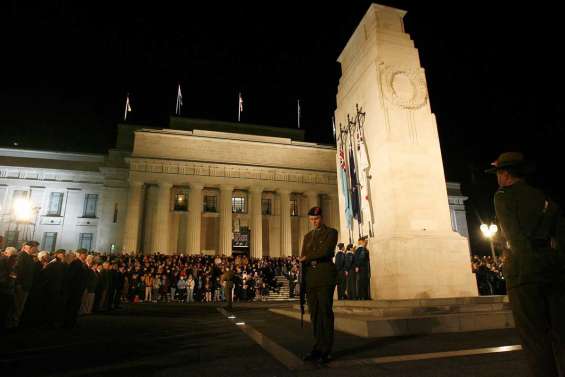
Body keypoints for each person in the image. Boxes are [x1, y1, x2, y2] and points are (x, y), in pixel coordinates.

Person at [487, 152, 565, 377]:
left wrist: (516, 259)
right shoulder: (543, 197)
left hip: (523, 272)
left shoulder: (502, 196)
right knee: (561, 333)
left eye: (499, 173)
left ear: (505, 174)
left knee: (535, 339)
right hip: (553, 268)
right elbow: (560, 238)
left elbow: (513, 235)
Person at [299, 206, 338, 365]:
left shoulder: (331, 232)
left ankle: (326, 350)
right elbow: (303, 256)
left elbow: (326, 251)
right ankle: (317, 346)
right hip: (310, 278)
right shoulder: (307, 236)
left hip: (324, 276)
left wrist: (307, 257)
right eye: (311, 220)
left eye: (316, 219)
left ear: (321, 218)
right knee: (314, 315)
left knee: (325, 313)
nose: (313, 222)